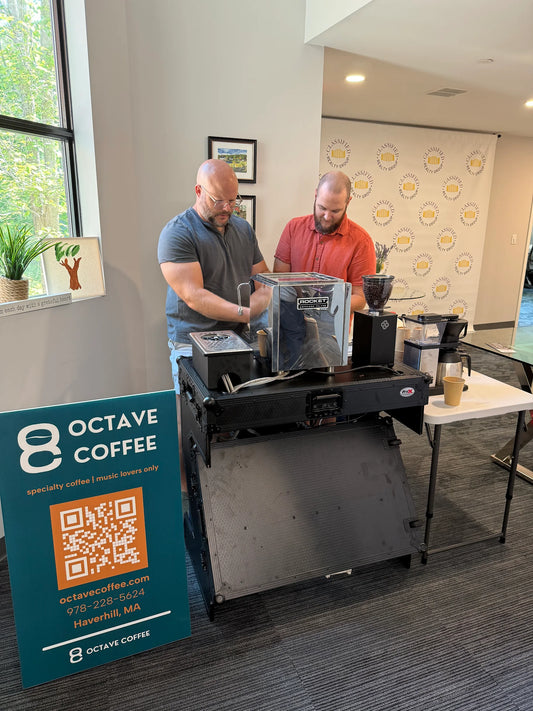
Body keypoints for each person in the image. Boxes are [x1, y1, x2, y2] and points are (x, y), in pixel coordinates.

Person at [158, 158, 270, 391]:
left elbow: (264, 280)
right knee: (196, 409)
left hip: (239, 339)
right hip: (193, 344)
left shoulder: (243, 229)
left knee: (244, 407)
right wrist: (245, 312)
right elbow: (194, 296)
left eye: (233, 200)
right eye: (218, 200)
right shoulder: (178, 232)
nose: (227, 208)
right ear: (199, 191)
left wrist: (258, 304)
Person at [273, 170, 375, 313]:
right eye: (322, 208)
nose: (327, 217)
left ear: (348, 202)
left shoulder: (361, 241)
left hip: (332, 325)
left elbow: (360, 298)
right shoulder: (293, 228)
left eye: (335, 211)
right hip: (290, 320)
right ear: (316, 195)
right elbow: (279, 283)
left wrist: (321, 306)